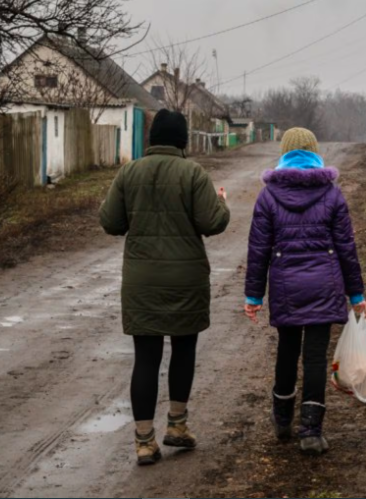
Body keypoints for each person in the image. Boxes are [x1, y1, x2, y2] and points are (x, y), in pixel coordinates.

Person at [99, 109, 230, 466]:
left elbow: (111, 222)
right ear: (183, 140)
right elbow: (212, 222)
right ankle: (178, 426)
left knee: (146, 358)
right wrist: (222, 202)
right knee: (183, 350)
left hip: (142, 281)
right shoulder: (193, 174)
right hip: (185, 279)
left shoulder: (129, 173)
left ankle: (144, 441)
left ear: (152, 138)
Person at [244, 127, 366, 456]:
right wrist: (356, 295)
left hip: (286, 286)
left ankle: (282, 419)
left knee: (287, 350)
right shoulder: (332, 194)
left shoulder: (268, 196)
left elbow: (258, 251)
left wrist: (254, 297)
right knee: (314, 357)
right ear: (314, 153)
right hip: (324, 284)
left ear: (284, 154)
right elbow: (346, 249)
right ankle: (311, 431)